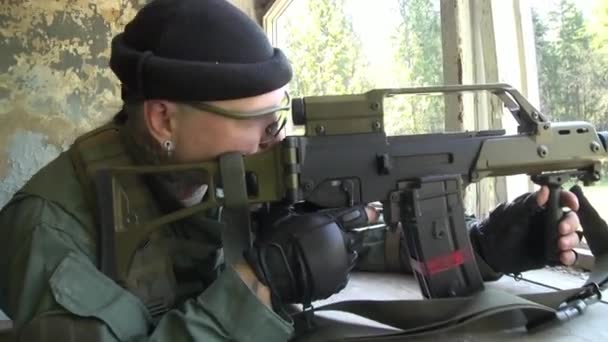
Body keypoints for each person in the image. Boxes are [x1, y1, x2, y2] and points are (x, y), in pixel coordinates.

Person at [0, 0, 588, 341]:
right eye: (258, 117)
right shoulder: (47, 230)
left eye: (279, 112)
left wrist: (484, 248)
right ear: (162, 118)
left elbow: (327, 236)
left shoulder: (224, 167)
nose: (275, 134)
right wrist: (259, 285)